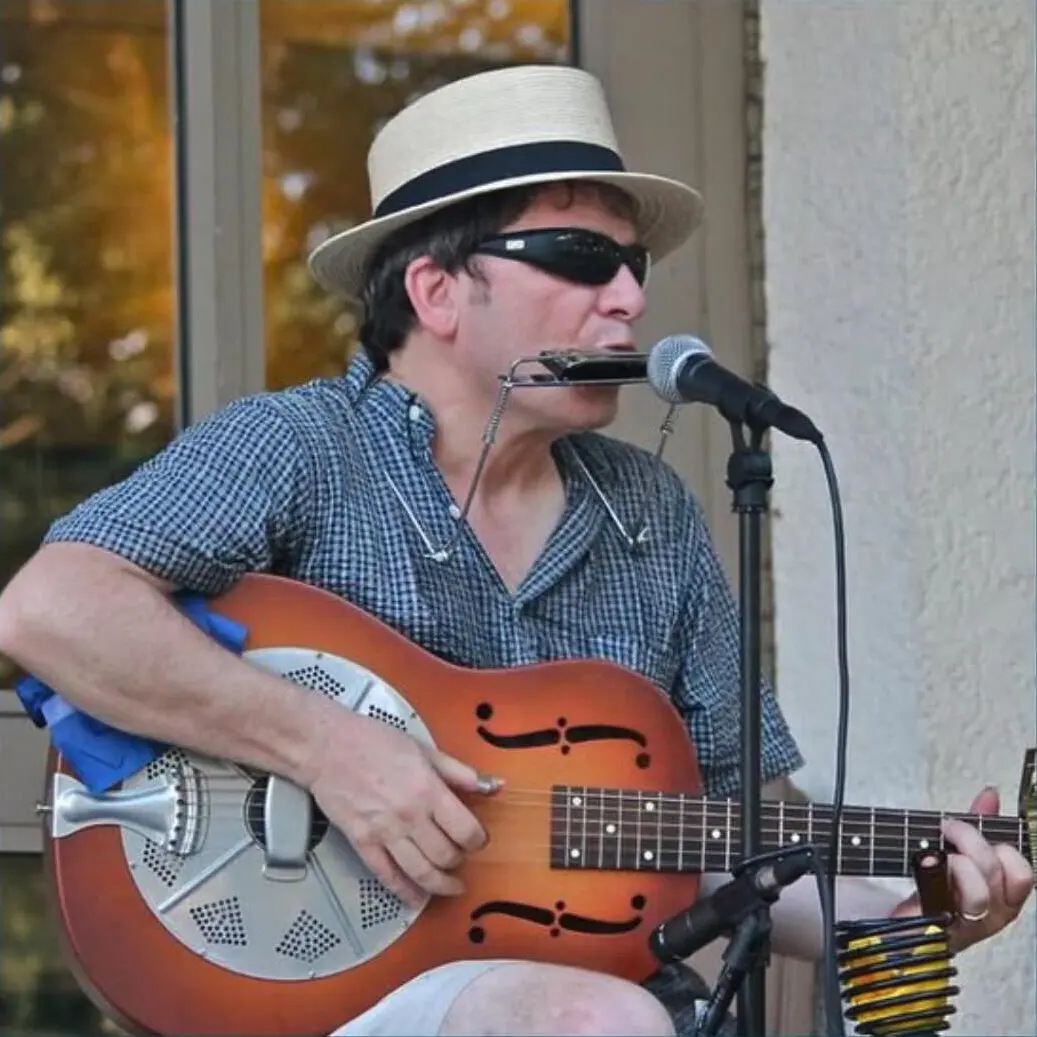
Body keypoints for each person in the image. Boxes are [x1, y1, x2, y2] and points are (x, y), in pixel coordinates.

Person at [0, 65, 1030, 1037]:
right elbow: (49, 606)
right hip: (322, 992)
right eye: (581, 258)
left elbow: (732, 840)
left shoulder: (650, 512)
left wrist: (918, 898)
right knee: (601, 1018)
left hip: (599, 1001)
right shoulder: (299, 448)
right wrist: (329, 748)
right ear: (437, 291)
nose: (627, 298)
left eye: (634, 266)